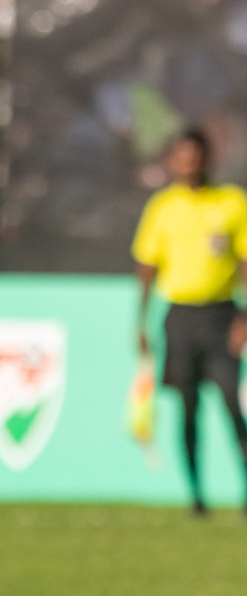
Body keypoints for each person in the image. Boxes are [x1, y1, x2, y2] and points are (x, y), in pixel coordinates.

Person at [133, 128, 247, 516]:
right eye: (181, 156)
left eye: (195, 155)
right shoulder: (163, 207)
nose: (189, 162)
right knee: (187, 408)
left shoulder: (232, 203)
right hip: (180, 318)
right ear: (172, 161)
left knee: (234, 403)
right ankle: (196, 495)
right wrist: (141, 324)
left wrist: (244, 316)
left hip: (221, 315)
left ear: (208, 158)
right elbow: (147, 269)